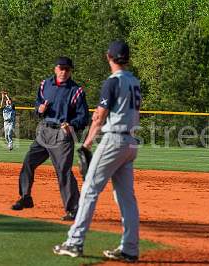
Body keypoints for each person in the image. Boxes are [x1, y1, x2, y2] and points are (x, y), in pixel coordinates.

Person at [53, 40, 141, 262]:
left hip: (114, 140)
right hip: (131, 142)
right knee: (126, 198)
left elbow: (99, 116)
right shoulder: (134, 81)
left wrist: (87, 143)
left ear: (108, 57)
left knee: (90, 189)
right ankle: (130, 248)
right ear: (127, 58)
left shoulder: (113, 82)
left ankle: (74, 242)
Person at [11, 56, 89, 221]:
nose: (63, 71)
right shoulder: (44, 85)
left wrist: (72, 125)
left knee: (63, 171)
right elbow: (37, 107)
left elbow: (83, 117)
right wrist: (39, 109)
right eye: (61, 68)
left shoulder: (76, 91)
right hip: (44, 131)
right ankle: (26, 197)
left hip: (62, 135)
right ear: (55, 69)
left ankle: (74, 209)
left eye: (67, 69)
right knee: (28, 162)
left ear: (71, 71)